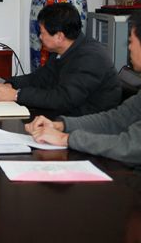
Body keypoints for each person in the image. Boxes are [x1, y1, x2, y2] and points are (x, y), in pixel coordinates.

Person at [24, 11, 141, 165]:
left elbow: (130, 146)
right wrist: (61, 125)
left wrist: (66, 139)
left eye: (131, 41)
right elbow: (116, 119)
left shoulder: (91, 55)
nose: (129, 47)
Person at [0, 3, 121, 116]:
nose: (40, 37)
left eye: (42, 33)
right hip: (66, 116)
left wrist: (17, 95)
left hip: (87, 125)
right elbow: (40, 78)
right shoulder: (62, 49)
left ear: (59, 36)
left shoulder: (91, 57)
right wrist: (10, 84)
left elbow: (64, 98)